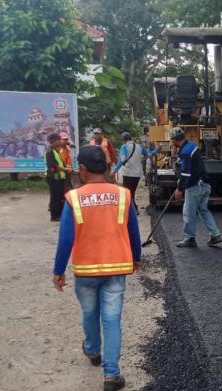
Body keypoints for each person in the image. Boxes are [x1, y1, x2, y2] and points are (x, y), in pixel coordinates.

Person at [52, 145, 142, 391]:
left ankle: (92, 350)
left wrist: (58, 271)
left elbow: (66, 240)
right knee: (112, 320)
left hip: (86, 271)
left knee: (90, 313)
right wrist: (137, 257)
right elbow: (133, 231)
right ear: (107, 166)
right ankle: (112, 376)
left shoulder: (74, 199)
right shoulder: (123, 195)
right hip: (116, 269)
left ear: (82, 168)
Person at [171, 127, 222, 248]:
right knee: (203, 210)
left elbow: (185, 173)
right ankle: (215, 235)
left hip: (195, 186)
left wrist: (179, 189)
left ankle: (189, 238)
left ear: (174, 140)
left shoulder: (185, 152)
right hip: (205, 184)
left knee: (188, 213)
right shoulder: (192, 145)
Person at [112, 132, 156, 215]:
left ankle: (133, 210)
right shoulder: (139, 146)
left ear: (123, 140)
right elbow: (149, 154)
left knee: (128, 193)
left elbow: (122, 159)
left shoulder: (124, 146)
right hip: (137, 174)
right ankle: (134, 208)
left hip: (128, 173)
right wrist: (156, 151)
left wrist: (114, 171)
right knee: (132, 192)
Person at [45, 133, 68, 221]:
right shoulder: (50, 151)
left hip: (59, 178)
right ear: (54, 141)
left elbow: (59, 163)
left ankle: (59, 214)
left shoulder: (55, 150)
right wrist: (64, 169)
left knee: (59, 196)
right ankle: (54, 216)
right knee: (55, 197)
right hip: (54, 178)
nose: (60, 142)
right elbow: (52, 167)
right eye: (58, 140)